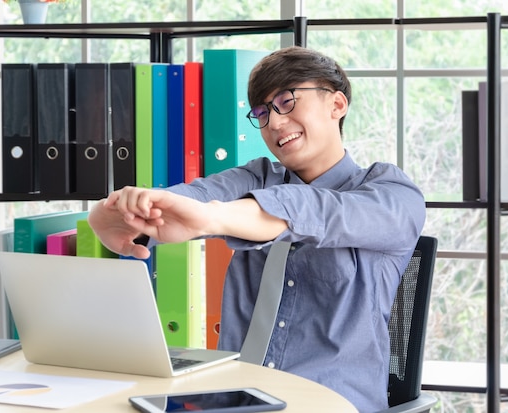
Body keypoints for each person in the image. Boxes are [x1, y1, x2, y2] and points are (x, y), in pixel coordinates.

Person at [88, 45, 426, 413]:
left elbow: (317, 211)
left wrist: (213, 217)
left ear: (337, 104)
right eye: (262, 113)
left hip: (331, 402)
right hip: (234, 399)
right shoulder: (259, 176)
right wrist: (125, 214)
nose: (275, 123)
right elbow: (194, 197)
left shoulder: (391, 195)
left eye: (287, 101)